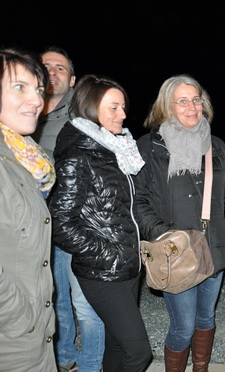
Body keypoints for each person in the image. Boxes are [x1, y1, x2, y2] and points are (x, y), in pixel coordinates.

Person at [49, 74, 152, 372]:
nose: (123, 114)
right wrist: (108, 254)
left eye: (123, 107)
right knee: (139, 352)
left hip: (129, 269)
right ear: (91, 109)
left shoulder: (116, 151)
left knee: (118, 346)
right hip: (103, 273)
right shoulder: (77, 157)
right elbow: (61, 223)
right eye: (113, 108)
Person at [134, 74, 225, 372]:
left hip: (214, 247)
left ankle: (201, 368)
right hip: (174, 255)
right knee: (183, 328)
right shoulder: (149, 147)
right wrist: (163, 236)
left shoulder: (215, 145)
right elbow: (138, 200)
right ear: (167, 105)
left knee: (206, 320)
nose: (192, 107)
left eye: (196, 99)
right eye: (182, 101)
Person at [32, 46, 104, 372]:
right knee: (54, 298)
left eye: (60, 68)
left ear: (72, 78)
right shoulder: (24, 114)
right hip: (38, 228)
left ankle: (90, 365)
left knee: (86, 304)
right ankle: (65, 361)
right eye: (46, 66)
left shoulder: (86, 113)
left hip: (79, 224)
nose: (52, 72)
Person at [0, 47, 56, 370]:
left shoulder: (27, 159)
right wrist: (18, 315)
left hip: (37, 335)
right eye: (19, 87)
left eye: (37, 89)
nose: (37, 100)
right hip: (12, 341)